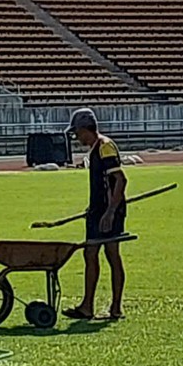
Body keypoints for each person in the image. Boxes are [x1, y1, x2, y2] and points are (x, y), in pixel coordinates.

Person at [65, 107, 126, 321]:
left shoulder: (105, 147)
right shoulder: (95, 149)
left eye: (77, 133)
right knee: (92, 254)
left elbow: (120, 180)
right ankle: (87, 306)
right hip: (98, 211)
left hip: (109, 212)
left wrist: (110, 212)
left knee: (110, 255)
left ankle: (115, 307)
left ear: (85, 129)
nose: (76, 137)